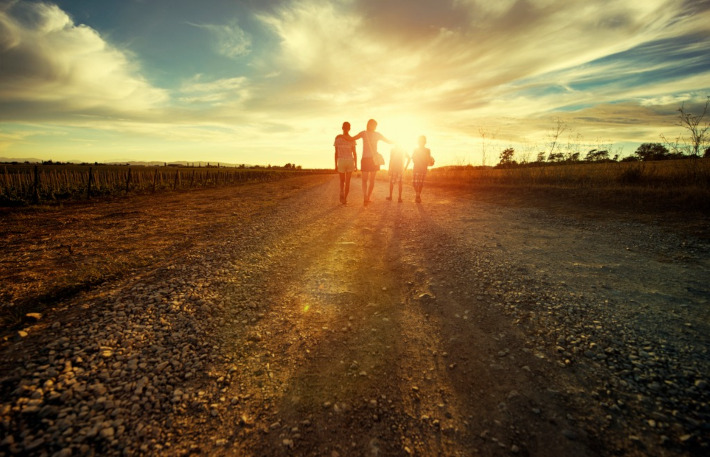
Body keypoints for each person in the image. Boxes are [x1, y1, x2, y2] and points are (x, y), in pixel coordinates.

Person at [352, 119, 393, 206]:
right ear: (369, 124)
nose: (374, 127)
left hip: (374, 160)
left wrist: (397, 141)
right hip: (366, 159)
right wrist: (342, 136)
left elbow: (388, 141)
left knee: (372, 180)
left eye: (375, 126)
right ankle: (365, 196)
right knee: (364, 179)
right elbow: (352, 138)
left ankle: (368, 197)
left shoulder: (377, 134)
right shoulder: (363, 133)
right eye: (373, 125)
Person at [333, 122, 357, 204]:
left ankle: (341, 192)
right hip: (350, 161)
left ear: (342, 128)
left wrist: (335, 165)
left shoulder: (337, 138)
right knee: (348, 182)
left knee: (341, 181)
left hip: (341, 161)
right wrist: (356, 165)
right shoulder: (352, 139)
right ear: (349, 128)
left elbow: (336, 153)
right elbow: (355, 153)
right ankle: (345, 199)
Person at [411, 135, 434, 203]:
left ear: (424, 142)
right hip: (420, 168)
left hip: (420, 168)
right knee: (416, 183)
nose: (421, 142)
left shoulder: (427, 150)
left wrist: (430, 161)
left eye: (422, 141)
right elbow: (414, 159)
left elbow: (414, 159)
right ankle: (418, 195)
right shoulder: (417, 150)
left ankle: (417, 196)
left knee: (418, 183)